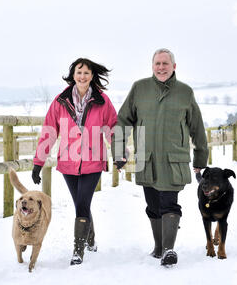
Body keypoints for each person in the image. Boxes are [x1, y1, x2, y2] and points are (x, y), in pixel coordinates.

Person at [112, 48, 208, 266]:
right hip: (147, 158)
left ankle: (168, 250)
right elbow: (123, 120)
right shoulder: (139, 88)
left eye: (166, 64)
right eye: (158, 64)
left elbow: (197, 127)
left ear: (174, 66)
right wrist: (119, 152)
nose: (161, 67)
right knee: (153, 205)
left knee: (169, 203)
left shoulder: (185, 92)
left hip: (174, 159)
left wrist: (200, 159)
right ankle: (158, 247)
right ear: (152, 66)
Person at [32, 58, 117, 265]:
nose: (82, 76)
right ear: (73, 75)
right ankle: (91, 239)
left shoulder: (102, 100)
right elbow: (49, 131)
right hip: (68, 161)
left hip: (93, 160)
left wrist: (119, 153)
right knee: (81, 203)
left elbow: (113, 128)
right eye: (79, 72)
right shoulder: (60, 100)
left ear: (92, 76)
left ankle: (78, 251)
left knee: (82, 203)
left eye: (87, 73)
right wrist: (38, 162)